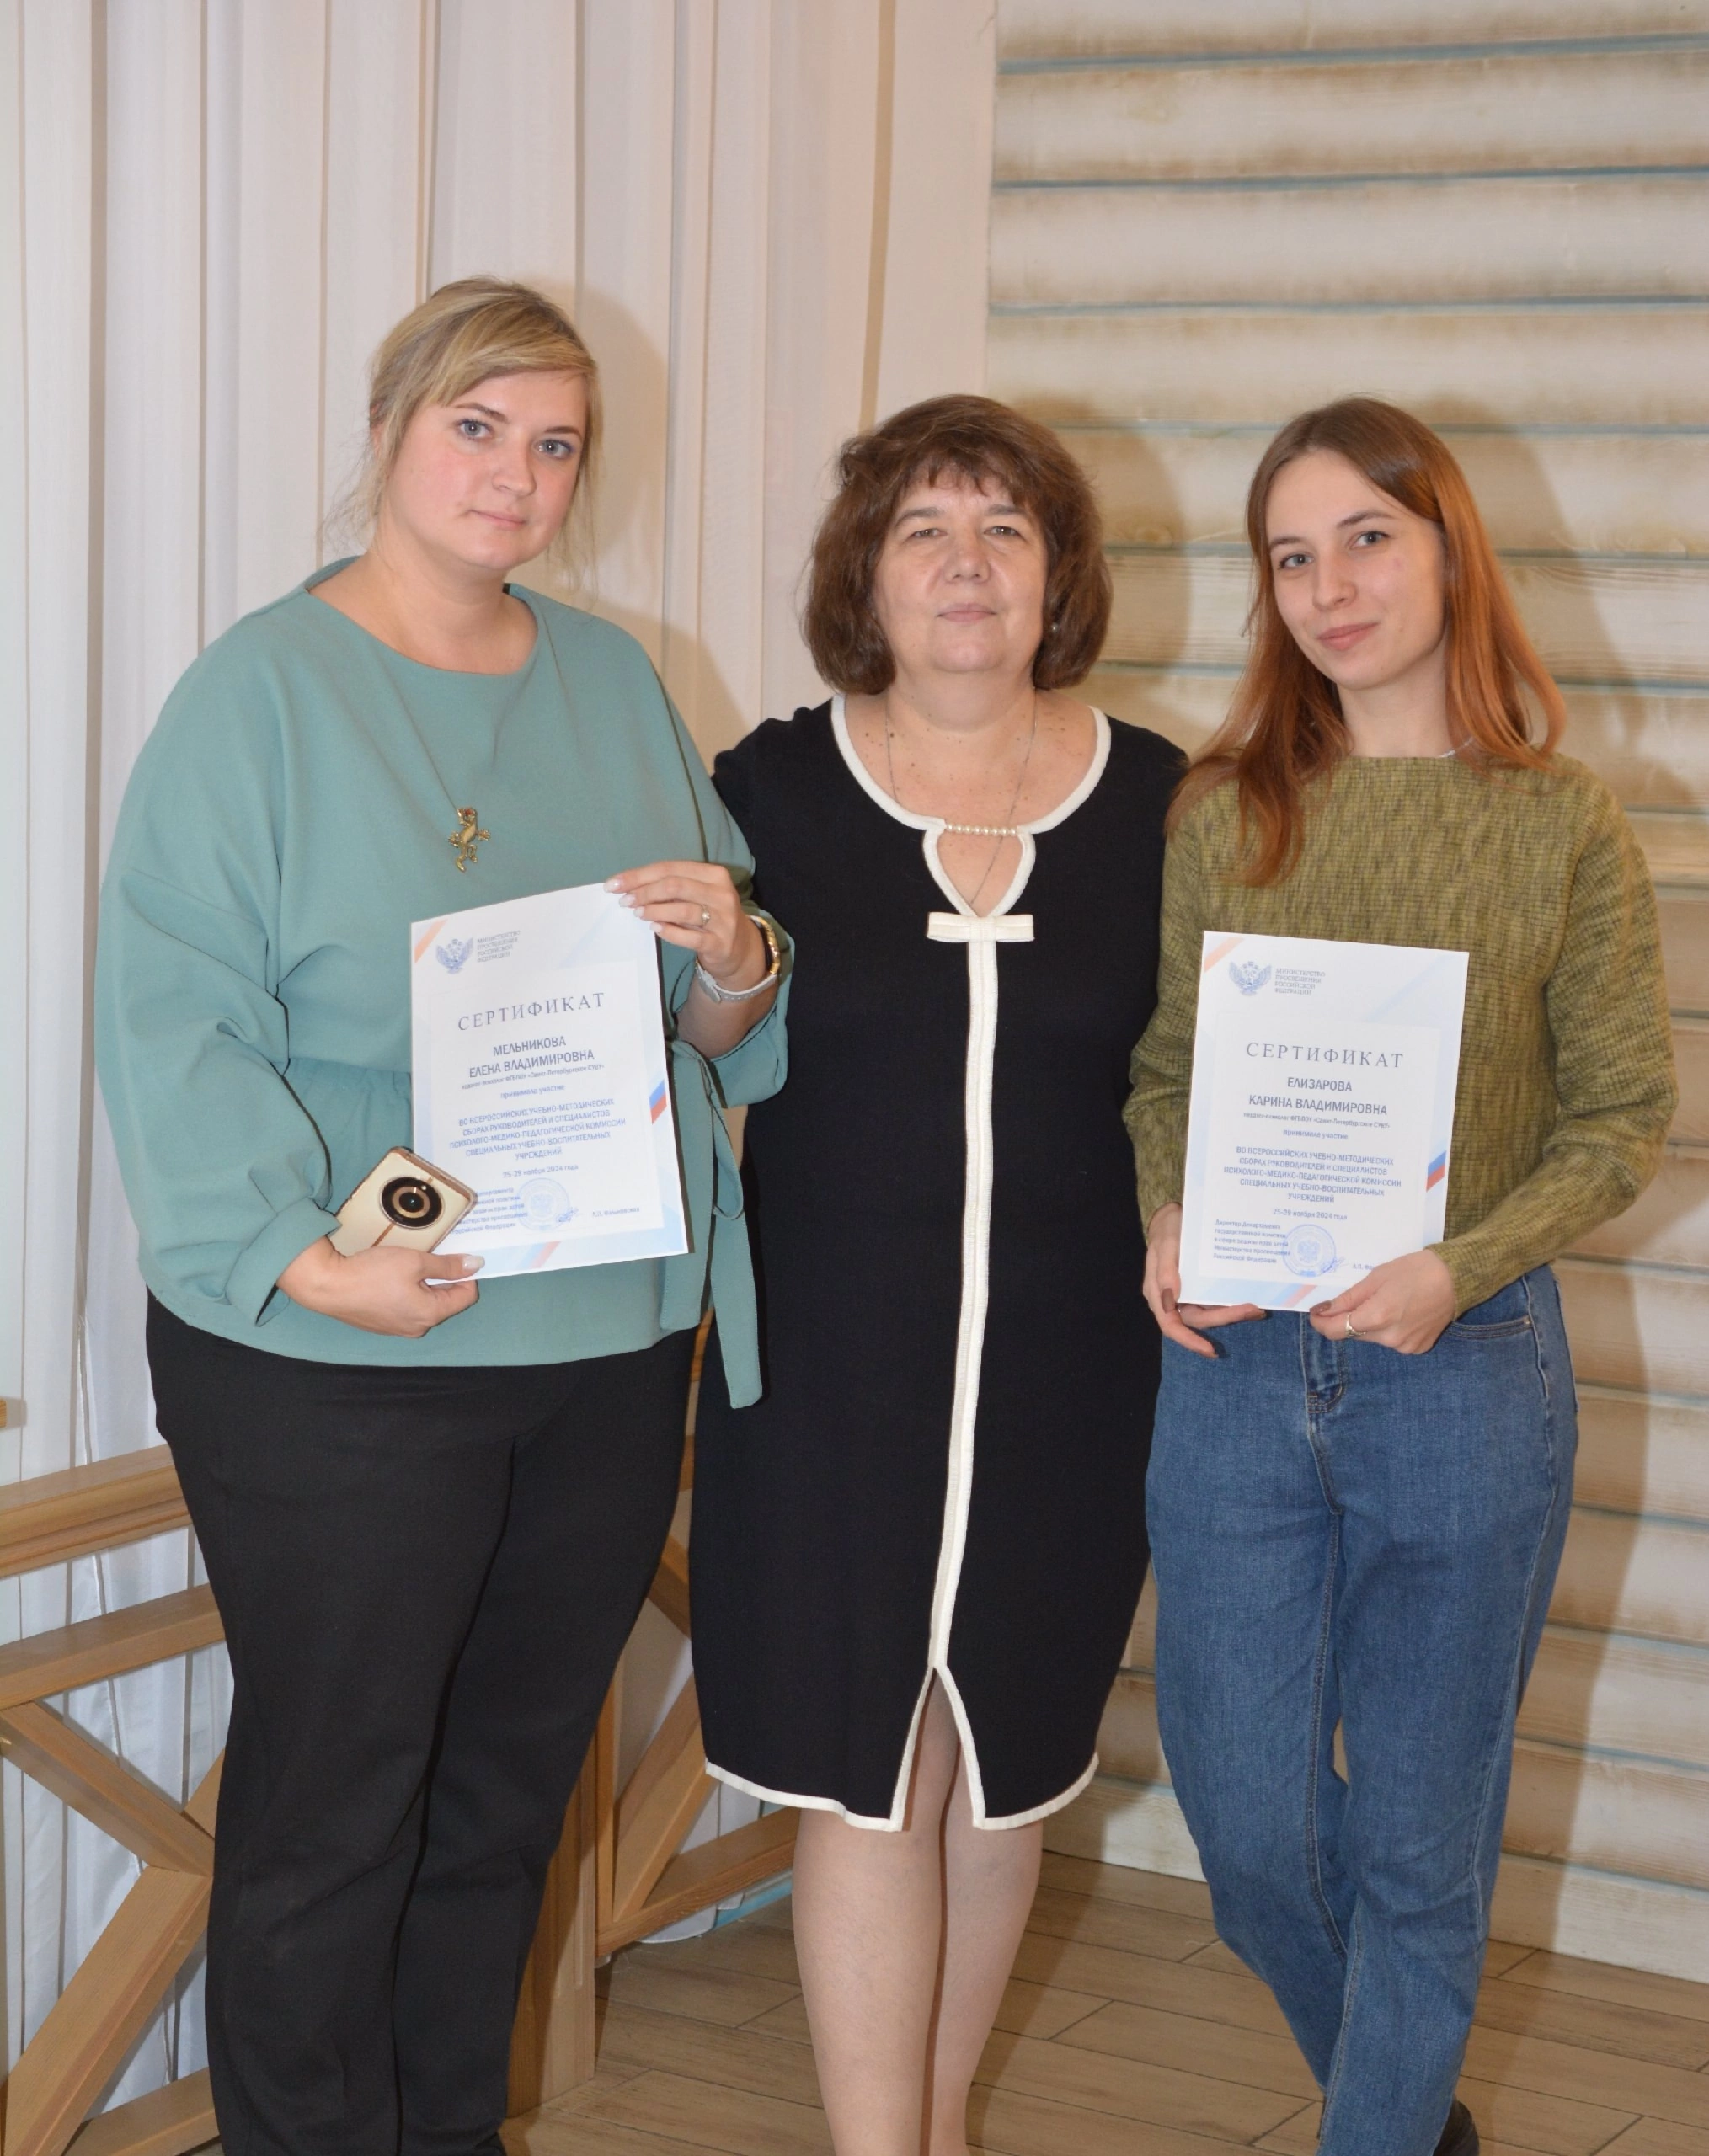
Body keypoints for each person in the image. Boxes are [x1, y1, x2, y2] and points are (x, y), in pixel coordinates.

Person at [94, 278, 788, 2156]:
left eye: (555, 443)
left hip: (602, 1334)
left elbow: (712, 1018)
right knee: (336, 1817)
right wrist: (305, 1262)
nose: (516, 475)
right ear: (392, 430)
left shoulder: (614, 680)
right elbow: (172, 1013)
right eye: (478, 427)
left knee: (500, 1804)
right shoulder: (260, 693)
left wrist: (740, 953)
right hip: (342, 1349)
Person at [1127, 397, 1675, 2156]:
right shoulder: (1225, 814)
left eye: (1368, 538)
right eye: (1293, 556)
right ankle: (1414, 2115)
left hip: (1465, 1371)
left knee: (1424, 1850)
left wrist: (1459, 1262)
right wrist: (1163, 1210)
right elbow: (1166, 1071)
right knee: (1252, 1832)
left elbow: (1621, 1118)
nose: (1331, 588)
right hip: (1233, 1372)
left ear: (1450, 549)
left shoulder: (1562, 823)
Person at [689, 394, 1179, 2156]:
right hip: (829, 1374)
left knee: (1006, 1771)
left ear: (1059, 575)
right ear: (866, 577)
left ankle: (942, 2126)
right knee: (873, 1772)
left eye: (1004, 530)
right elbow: (695, 1032)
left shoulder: (1167, 807)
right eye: (923, 530)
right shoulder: (766, 790)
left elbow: (1202, 1067)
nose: (965, 565)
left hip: (1076, 1378)